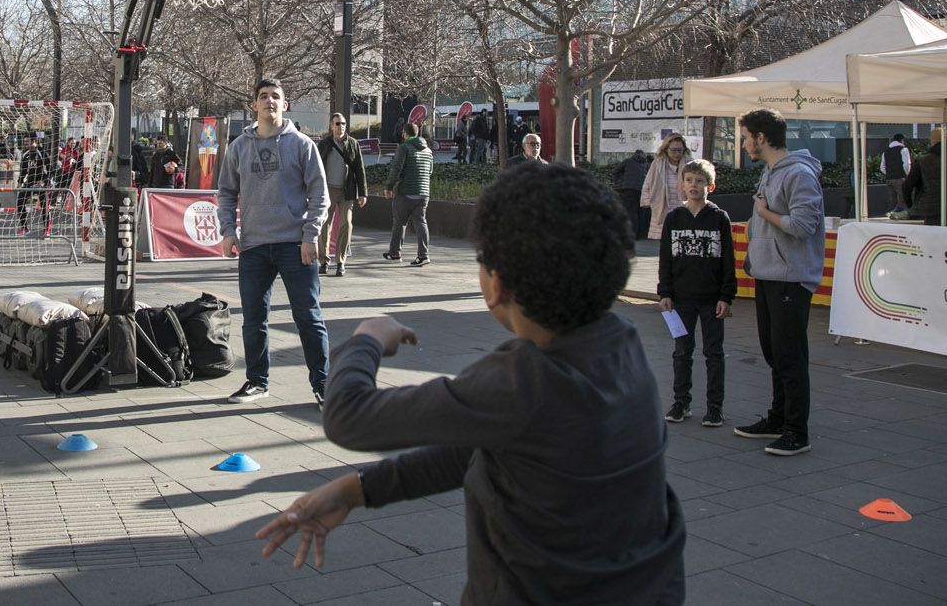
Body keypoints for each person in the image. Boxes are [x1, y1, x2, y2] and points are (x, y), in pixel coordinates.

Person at [256, 162, 685, 602]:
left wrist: (367, 340)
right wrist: (356, 490)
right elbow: (484, 447)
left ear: (495, 283)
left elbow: (348, 417)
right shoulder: (622, 345)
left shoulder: (524, 382)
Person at [218, 78, 330, 406]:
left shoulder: (302, 145)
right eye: (263, 96)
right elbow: (226, 192)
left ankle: (323, 384)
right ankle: (257, 382)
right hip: (253, 246)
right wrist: (228, 230)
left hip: (295, 245)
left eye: (275, 97)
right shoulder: (239, 146)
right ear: (254, 105)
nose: (269, 101)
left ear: (285, 104)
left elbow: (319, 194)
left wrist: (311, 236)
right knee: (254, 319)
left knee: (308, 317)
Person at [734, 108, 824, 457]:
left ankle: (796, 431)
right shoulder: (771, 172)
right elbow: (765, 219)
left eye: (745, 138)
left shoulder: (798, 174)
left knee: (789, 357)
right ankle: (778, 417)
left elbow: (803, 226)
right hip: (768, 273)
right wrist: (754, 252)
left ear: (760, 138)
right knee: (774, 353)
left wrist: (764, 214)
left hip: (790, 277)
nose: (743, 145)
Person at [658, 159, 736, 428]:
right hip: (680, 301)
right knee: (682, 352)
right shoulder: (674, 218)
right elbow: (665, 259)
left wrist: (726, 296)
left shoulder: (719, 218)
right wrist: (664, 292)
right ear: (682, 185)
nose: (693, 185)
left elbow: (728, 260)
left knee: (713, 353)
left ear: (710, 186)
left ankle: (715, 407)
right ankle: (681, 402)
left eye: (699, 181)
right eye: (689, 180)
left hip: (712, 301)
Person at [317, 113, 368, 278]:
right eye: (338, 124)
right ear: (331, 126)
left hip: (347, 190)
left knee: (346, 224)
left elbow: (359, 169)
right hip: (328, 190)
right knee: (325, 225)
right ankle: (324, 261)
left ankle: (340, 262)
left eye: (344, 124)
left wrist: (363, 193)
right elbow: (315, 168)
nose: (341, 127)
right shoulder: (324, 144)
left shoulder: (353, 144)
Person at [382, 122, 434, 266]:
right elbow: (430, 171)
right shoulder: (428, 150)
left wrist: (389, 186)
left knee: (399, 222)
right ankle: (423, 255)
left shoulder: (404, 148)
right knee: (421, 223)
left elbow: (396, 169)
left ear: (405, 133)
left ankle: (395, 253)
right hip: (423, 193)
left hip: (406, 192)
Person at [639, 134, 692, 240]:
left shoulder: (689, 164)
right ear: (666, 149)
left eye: (679, 150)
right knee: (665, 244)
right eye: (673, 150)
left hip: (683, 208)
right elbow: (648, 183)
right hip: (662, 208)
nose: (677, 153)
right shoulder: (657, 164)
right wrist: (648, 201)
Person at [17, 137, 54, 236]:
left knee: (44, 206)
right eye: (24, 141)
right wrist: (19, 183)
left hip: (41, 183)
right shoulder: (25, 154)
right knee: (20, 201)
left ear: (33, 141)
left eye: (27, 141)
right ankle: (24, 228)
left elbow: (50, 169)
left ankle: (47, 230)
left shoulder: (41, 152)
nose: (25, 143)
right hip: (29, 182)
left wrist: (44, 181)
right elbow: (23, 171)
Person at [615, 149, 650, 235]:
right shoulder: (645, 164)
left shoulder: (627, 161)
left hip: (628, 190)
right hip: (641, 190)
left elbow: (616, 171)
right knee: (640, 212)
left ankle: (632, 233)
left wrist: (620, 181)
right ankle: (640, 233)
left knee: (631, 212)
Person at [880, 133, 911, 214]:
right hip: (900, 178)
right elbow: (907, 164)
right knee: (902, 201)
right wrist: (906, 174)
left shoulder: (885, 152)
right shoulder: (903, 149)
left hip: (889, 179)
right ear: (901, 140)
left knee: (893, 201)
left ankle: (894, 217)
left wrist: (889, 173)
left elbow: (882, 167)